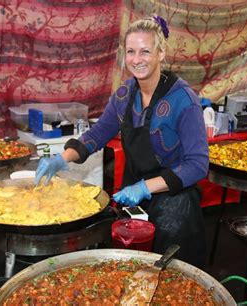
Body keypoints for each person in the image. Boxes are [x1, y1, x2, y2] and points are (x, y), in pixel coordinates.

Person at [35, 15, 209, 269]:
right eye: (131, 52)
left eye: (145, 51)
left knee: (169, 277)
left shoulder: (184, 99)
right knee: (132, 269)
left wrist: (145, 187)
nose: (137, 59)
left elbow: (198, 164)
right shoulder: (125, 94)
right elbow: (98, 134)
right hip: (135, 195)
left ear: (161, 53)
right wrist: (60, 159)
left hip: (175, 204)